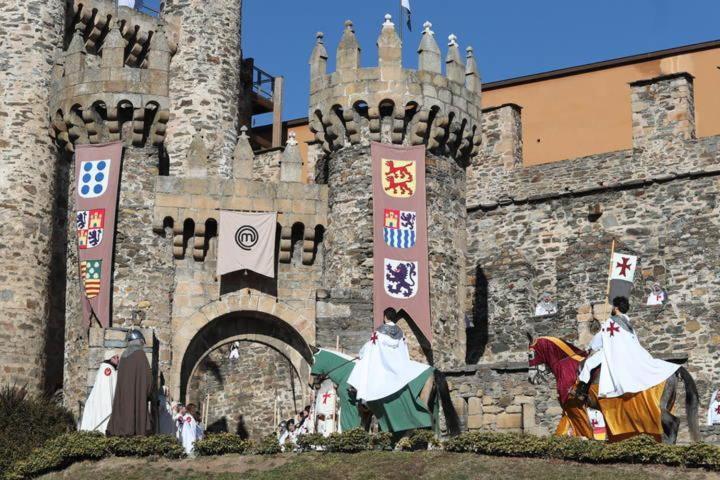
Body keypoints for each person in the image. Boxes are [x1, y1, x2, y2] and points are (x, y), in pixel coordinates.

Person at [574, 296, 679, 401]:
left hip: (613, 353)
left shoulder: (611, 322)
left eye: (613, 306)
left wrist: (590, 347)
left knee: (588, 363)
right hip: (630, 352)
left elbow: (599, 338)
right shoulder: (628, 323)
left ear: (616, 308)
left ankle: (581, 391)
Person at [346, 308, 429, 402]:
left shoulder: (379, 332)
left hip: (382, 365)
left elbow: (370, 346)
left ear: (385, 317)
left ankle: (356, 391)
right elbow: (403, 349)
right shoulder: (400, 333)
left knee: (362, 364)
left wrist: (361, 354)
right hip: (396, 365)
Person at [106, 329, 153, 436]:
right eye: (141, 342)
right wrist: (149, 393)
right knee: (136, 416)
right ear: (138, 341)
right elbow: (148, 379)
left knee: (124, 412)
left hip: (124, 396)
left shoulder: (124, 356)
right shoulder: (140, 355)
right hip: (137, 396)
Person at [80, 355, 119, 432]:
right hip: (104, 405)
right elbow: (106, 394)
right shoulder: (108, 369)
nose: (118, 360)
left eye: (118, 358)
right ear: (110, 358)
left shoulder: (108, 369)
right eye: (116, 357)